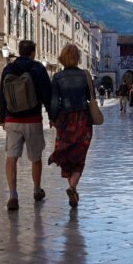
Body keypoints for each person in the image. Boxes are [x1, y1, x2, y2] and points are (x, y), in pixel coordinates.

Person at [0, 40, 52, 210]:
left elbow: (1, 95)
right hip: (32, 119)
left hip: (12, 119)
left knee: (11, 157)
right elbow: (47, 94)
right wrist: (52, 116)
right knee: (35, 158)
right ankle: (36, 190)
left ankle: (13, 195)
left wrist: (3, 118)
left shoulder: (8, 69)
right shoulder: (38, 69)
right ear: (33, 52)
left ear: (19, 51)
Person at [47, 44, 95, 208]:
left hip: (64, 120)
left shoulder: (57, 77)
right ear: (78, 58)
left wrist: (52, 118)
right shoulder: (84, 75)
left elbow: (54, 101)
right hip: (82, 118)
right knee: (79, 154)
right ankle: (72, 187)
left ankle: (72, 188)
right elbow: (91, 96)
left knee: (67, 154)